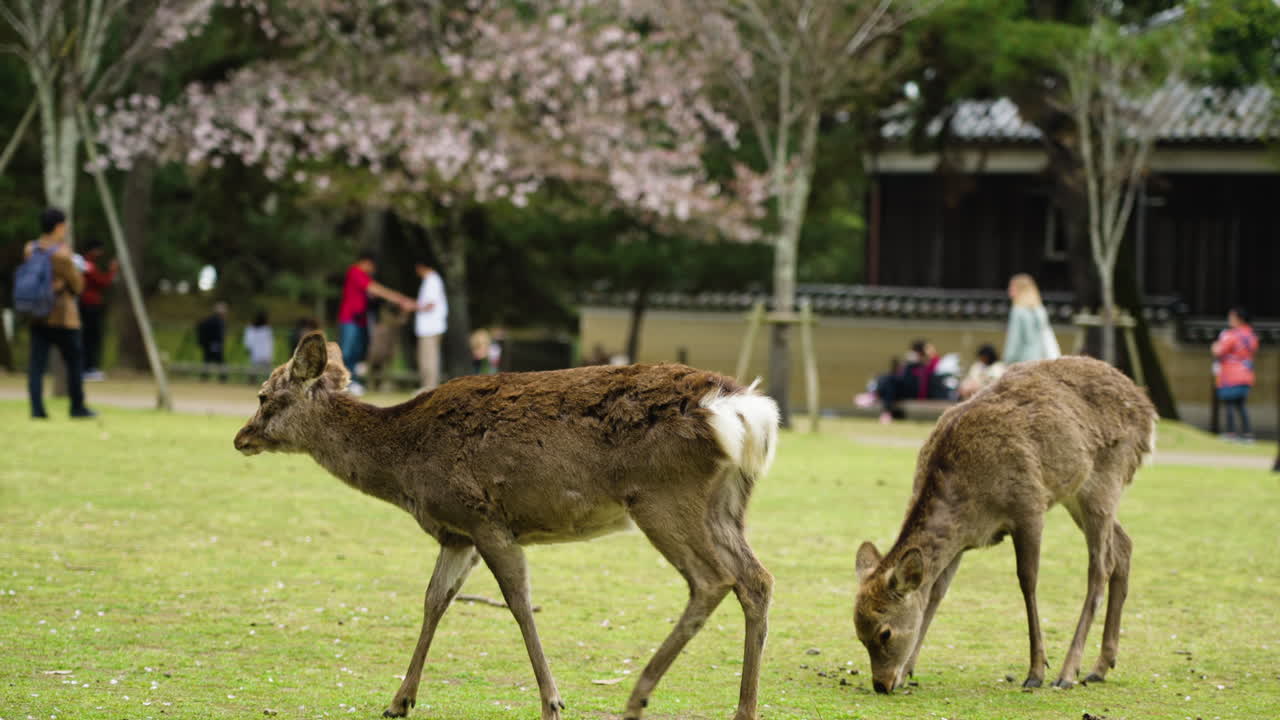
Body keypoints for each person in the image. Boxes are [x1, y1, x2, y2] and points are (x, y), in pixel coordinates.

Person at [22, 208, 95, 419]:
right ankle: (77, 406)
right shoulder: (62, 253)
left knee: (36, 365)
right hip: (62, 317)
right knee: (74, 361)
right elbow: (78, 285)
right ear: (59, 226)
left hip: (37, 313)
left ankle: (37, 410)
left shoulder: (31, 249)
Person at [336, 252, 415, 395]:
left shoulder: (363, 276)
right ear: (366, 262)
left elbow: (373, 292)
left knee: (357, 352)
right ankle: (342, 382)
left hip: (360, 320)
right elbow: (375, 289)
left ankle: (352, 381)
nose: (373, 270)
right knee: (347, 351)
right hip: (350, 319)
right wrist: (400, 299)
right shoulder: (355, 271)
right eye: (372, 267)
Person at [1212, 306, 1258, 442]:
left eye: (1232, 317)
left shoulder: (1231, 335)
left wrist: (1215, 346)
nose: (1230, 320)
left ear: (1239, 319)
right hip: (1246, 373)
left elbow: (1219, 351)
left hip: (1231, 374)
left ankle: (1231, 433)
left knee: (1230, 404)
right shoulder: (1251, 335)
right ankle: (1247, 433)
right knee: (1241, 405)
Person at [78, 240, 118, 381]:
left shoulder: (87, 264)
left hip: (89, 305)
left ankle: (87, 367)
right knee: (90, 337)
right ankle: (87, 368)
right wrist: (113, 270)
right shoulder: (87, 264)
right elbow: (103, 282)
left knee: (90, 337)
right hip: (89, 305)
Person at [1003, 273, 1059, 364]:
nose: (1009, 290)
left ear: (1020, 289)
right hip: (1041, 359)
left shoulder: (1018, 310)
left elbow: (1014, 341)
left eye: (1012, 287)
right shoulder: (1040, 310)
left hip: (1023, 361)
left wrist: (1007, 360)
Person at [412, 261, 448, 391]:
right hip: (428, 327)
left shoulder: (432, 281)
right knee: (425, 358)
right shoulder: (430, 280)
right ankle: (427, 386)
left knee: (429, 359)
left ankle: (430, 388)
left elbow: (430, 304)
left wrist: (411, 306)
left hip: (431, 327)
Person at [197, 302, 229, 382]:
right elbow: (216, 334)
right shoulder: (216, 321)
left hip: (210, 344)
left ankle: (205, 376)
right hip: (214, 344)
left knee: (208, 359)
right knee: (218, 360)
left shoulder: (214, 320)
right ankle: (222, 377)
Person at [243, 310, 274, 379]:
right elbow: (270, 342)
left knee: (253, 370)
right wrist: (270, 354)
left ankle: (251, 381)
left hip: (256, 353)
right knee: (268, 372)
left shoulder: (251, 328)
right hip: (265, 353)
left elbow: (248, 340)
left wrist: (248, 348)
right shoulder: (267, 329)